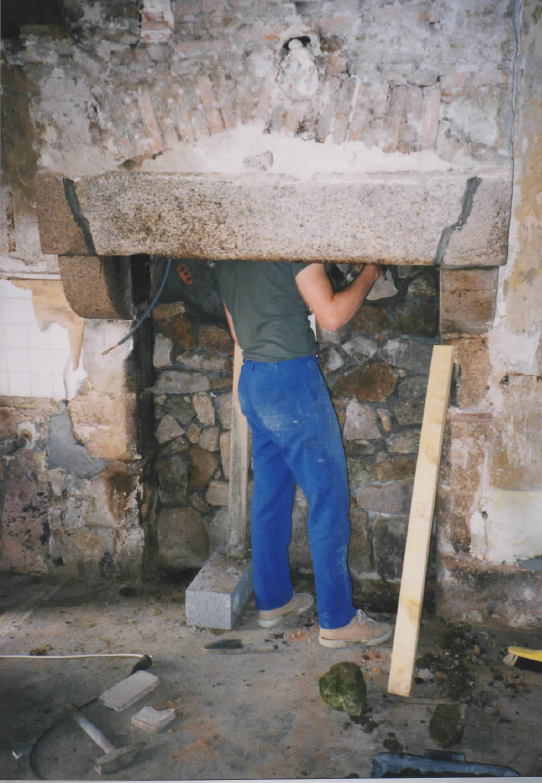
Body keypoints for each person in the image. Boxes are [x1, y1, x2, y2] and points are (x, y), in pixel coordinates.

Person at [217, 260, 392, 648]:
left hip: (253, 378)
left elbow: (237, 332)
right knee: (327, 499)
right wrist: (370, 273)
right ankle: (338, 620)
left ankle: (274, 601)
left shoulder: (228, 258)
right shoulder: (292, 248)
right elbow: (330, 317)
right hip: (291, 381)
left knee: (270, 496)